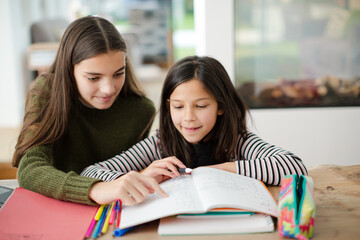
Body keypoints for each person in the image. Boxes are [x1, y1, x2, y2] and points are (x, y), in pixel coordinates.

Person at [12, 16, 168, 206]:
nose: (109, 89)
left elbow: (127, 169)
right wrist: (95, 189)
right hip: (53, 207)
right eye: (94, 78)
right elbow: (29, 169)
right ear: (69, 71)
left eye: (119, 73)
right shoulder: (47, 92)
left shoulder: (141, 111)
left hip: (112, 212)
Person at [81, 56, 308, 185]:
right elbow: (91, 172)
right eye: (178, 107)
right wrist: (141, 176)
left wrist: (217, 170)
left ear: (220, 106)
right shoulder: (160, 143)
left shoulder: (237, 141)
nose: (188, 118)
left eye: (201, 106)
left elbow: (295, 167)